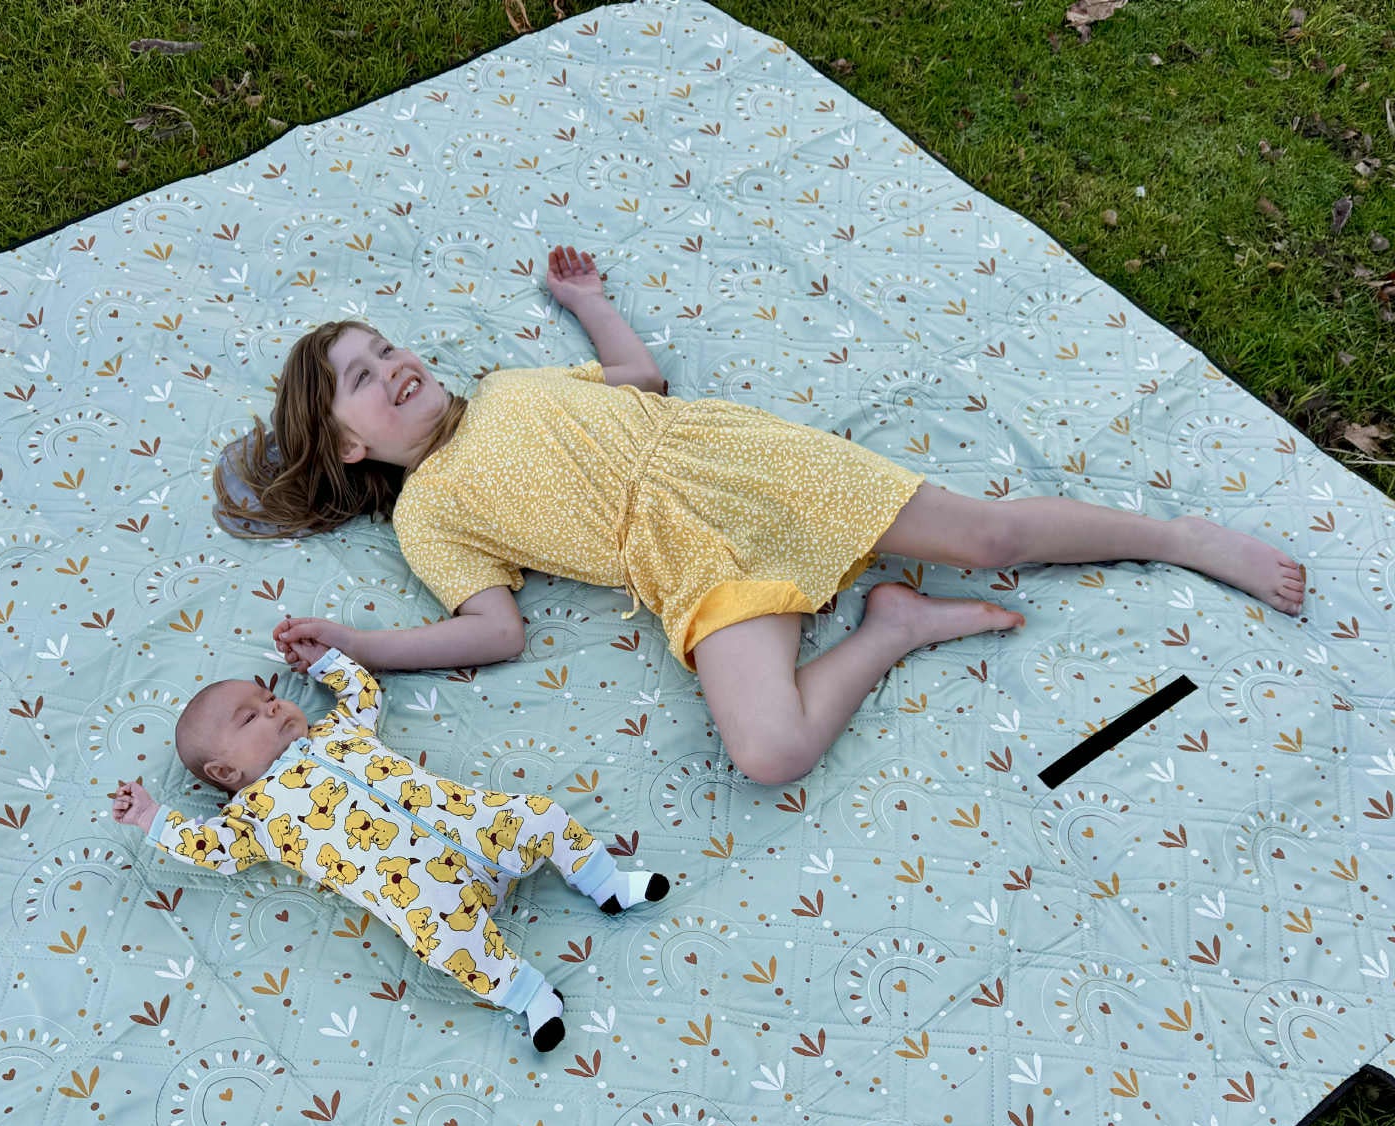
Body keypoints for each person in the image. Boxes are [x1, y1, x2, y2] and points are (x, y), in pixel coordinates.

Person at [217, 245, 1306, 785]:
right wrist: (359, 644)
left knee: (991, 539)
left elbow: (638, 379)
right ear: (352, 445)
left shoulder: (508, 384)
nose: (393, 367)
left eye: (385, 348)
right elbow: (493, 631)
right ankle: (890, 631)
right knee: (767, 751)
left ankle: (1177, 539)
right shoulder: (430, 519)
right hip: (688, 567)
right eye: (361, 380)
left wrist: (589, 303)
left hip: (743, 469)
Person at [109, 633, 670, 1051]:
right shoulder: (253, 817)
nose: (275, 705)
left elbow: (365, 695)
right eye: (250, 716)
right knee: (445, 945)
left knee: (540, 816)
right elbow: (212, 850)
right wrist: (154, 818)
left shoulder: (337, 731)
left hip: (472, 823)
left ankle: (607, 884)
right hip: (428, 896)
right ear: (226, 773)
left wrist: (325, 662)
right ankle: (529, 996)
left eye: (270, 696)